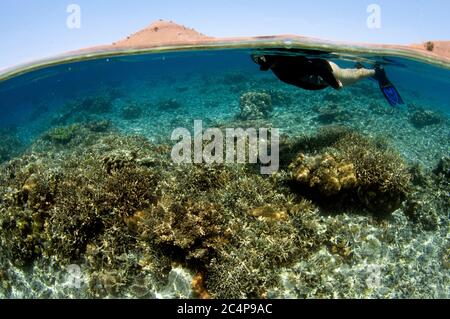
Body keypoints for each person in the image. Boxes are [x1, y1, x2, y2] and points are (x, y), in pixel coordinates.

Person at [252, 52, 404, 107]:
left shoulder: (283, 59)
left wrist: (333, 84)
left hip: (327, 72)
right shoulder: (275, 65)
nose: (259, 60)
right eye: (256, 60)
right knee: (350, 76)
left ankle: (376, 71)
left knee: (350, 78)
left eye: (260, 57)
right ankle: (364, 70)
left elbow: (317, 65)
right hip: (320, 79)